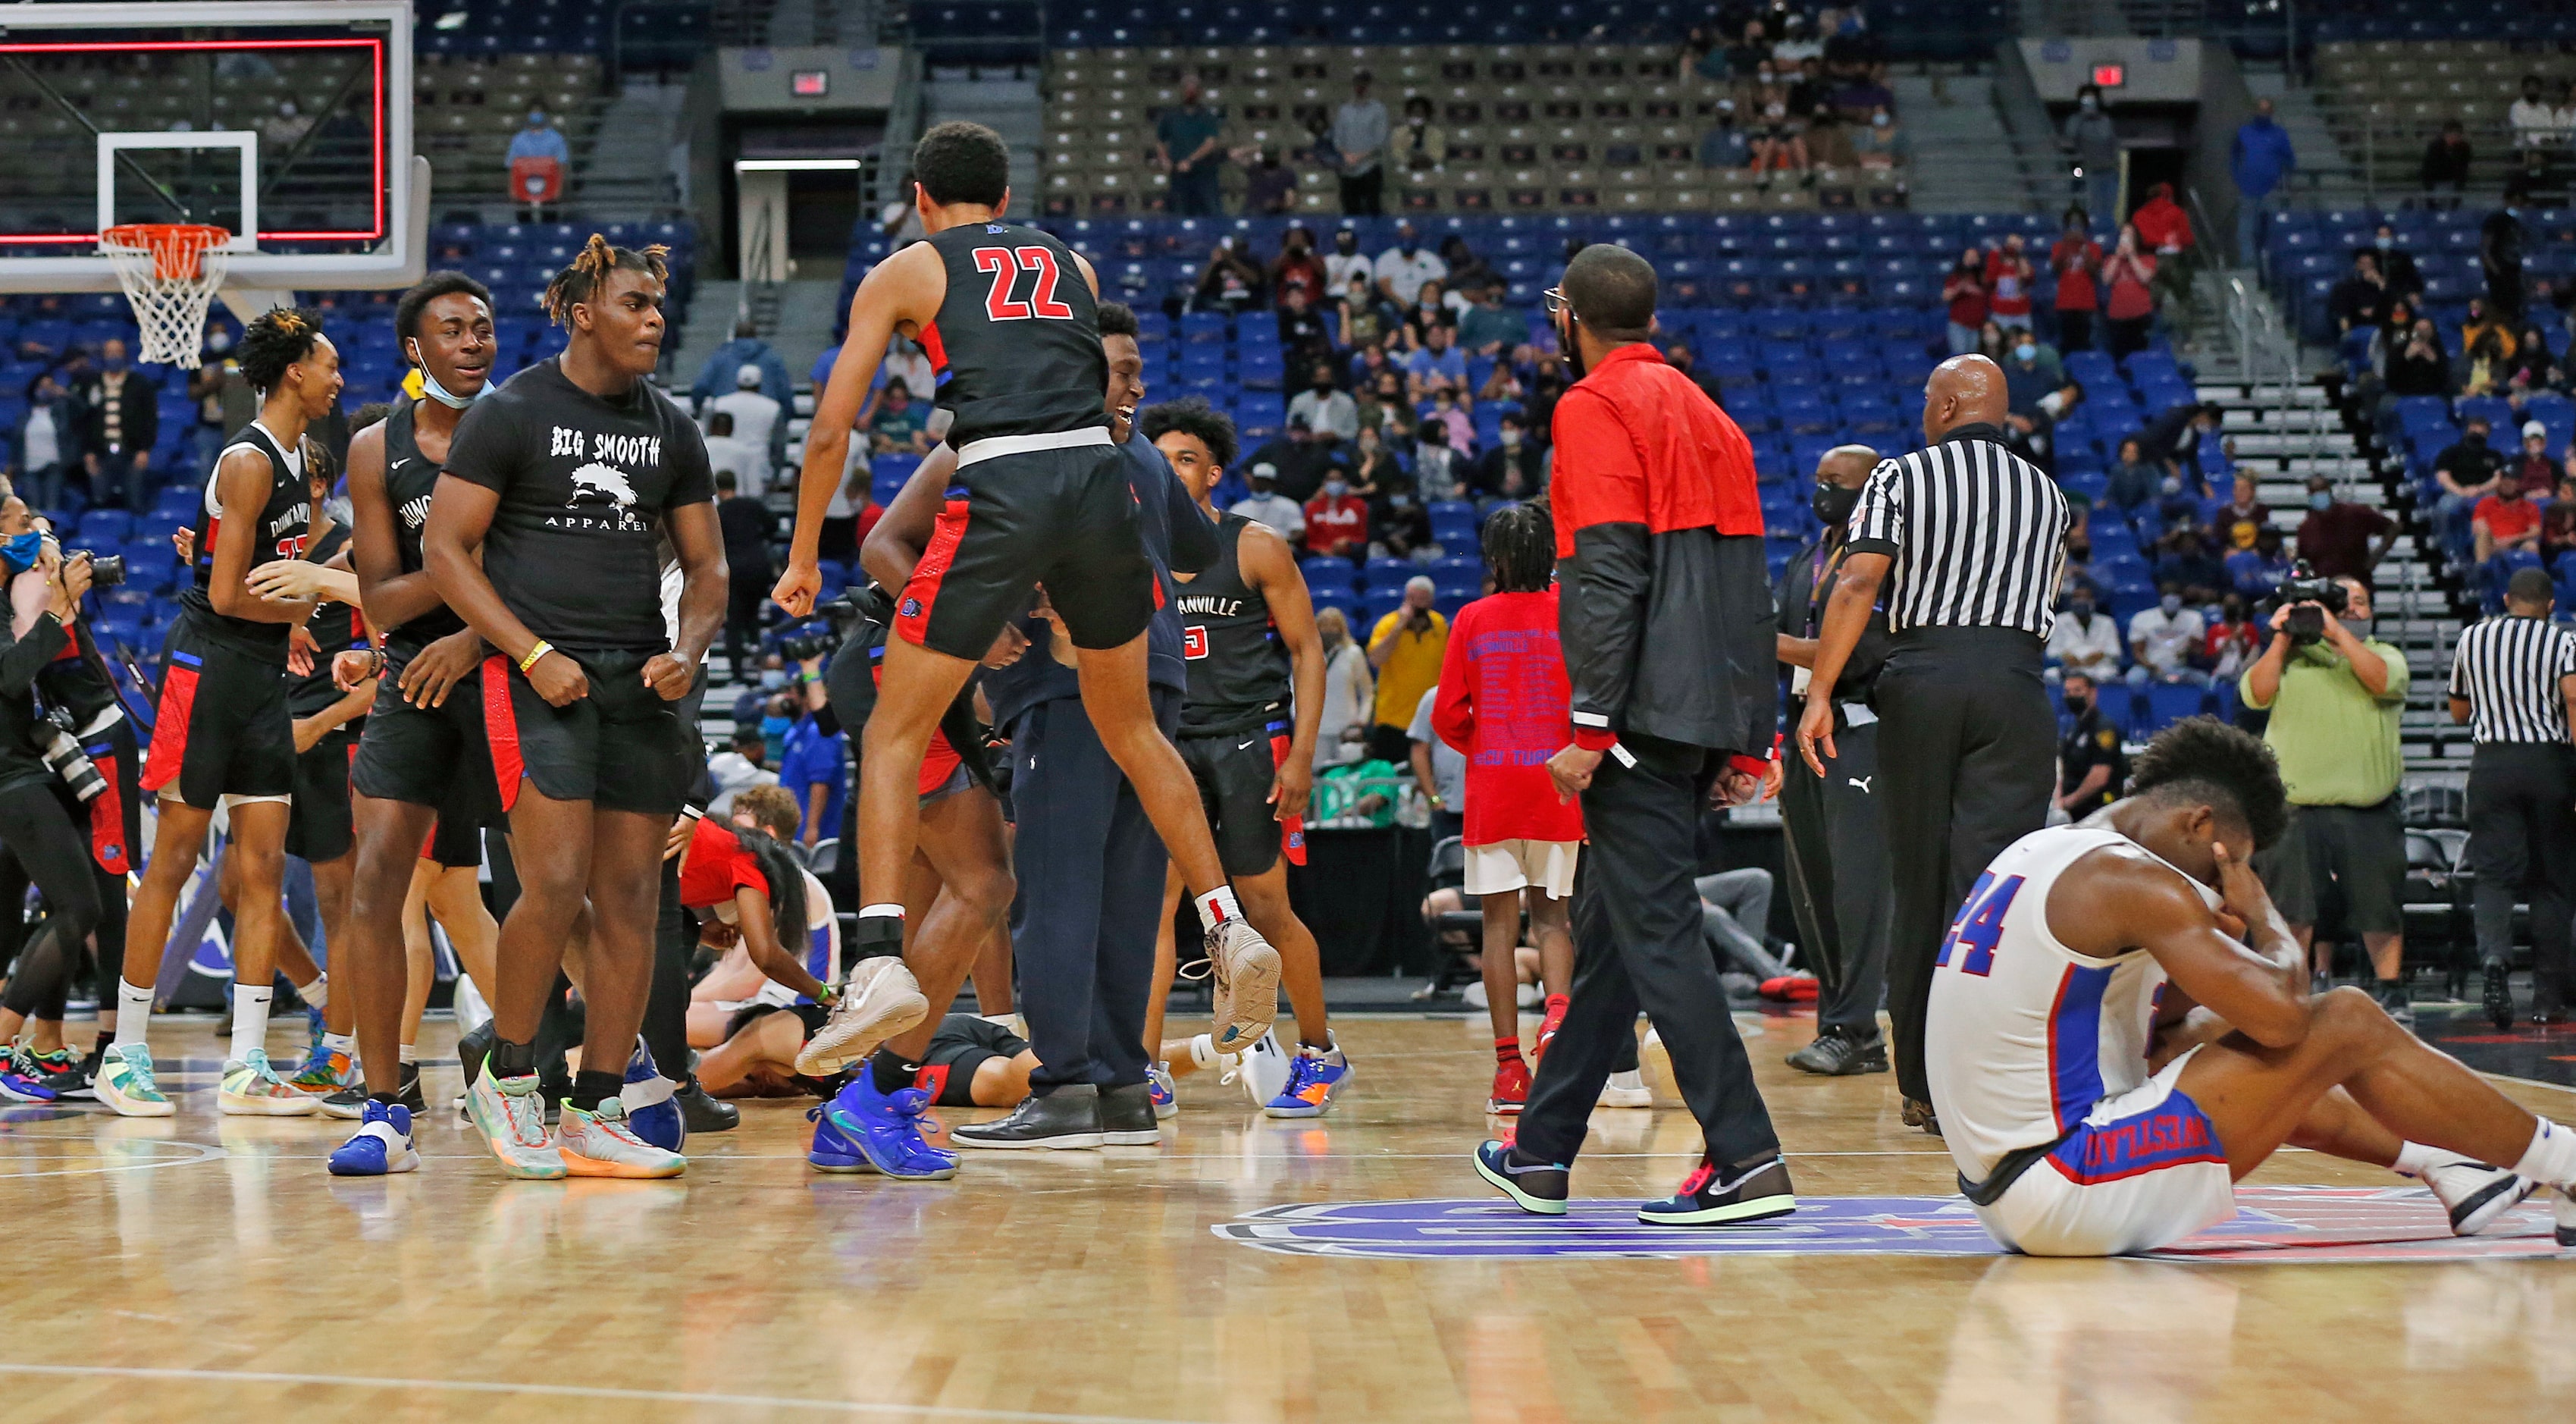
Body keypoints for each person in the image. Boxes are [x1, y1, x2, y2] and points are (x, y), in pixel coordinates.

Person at [774, 124, 1282, 1172]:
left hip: (1003, 482)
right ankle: (1225, 922)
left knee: (894, 735)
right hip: (1100, 489)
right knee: (1135, 724)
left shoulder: (909, 267)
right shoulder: (1071, 261)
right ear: (1005, 194)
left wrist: (798, 555)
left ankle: (873, 961)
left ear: (919, 197)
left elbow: (833, 427)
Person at [1926, 717, 2576, 1258]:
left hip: (2008, 1194)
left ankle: (2446, 1163)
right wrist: (2263, 914)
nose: (2227, 879)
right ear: (2200, 825)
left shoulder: (2051, 849)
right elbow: (2288, 1022)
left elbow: (2186, 1032)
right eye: (2234, 858)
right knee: (2343, 1017)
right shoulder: (2136, 881)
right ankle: (2568, 1162)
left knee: (2207, 1032)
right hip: (2066, 1183)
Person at [1473, 245, 1791, 1226]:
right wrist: (1748, 737)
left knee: (1656, 934)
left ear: (1567, 317)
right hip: (1699, 713)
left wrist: (1590, 725)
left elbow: (1605, 572)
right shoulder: (1715, 419)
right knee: (1613, 932)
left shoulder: (1591, 408)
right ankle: (1541, 1151)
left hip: (1637, 719)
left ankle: (1744, 1154)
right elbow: (1749, 593)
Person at [423, 236, 725, 1179]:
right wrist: (529, 650)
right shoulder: (511, 412)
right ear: (583, 311)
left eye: (658, 306)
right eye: (636, 303)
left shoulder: (672, 428)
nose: (654, 320)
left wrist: (687, 650)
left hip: (639, 680)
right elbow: (444, 551)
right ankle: (512, 1085)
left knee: (636, 899)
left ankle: (597, 1107)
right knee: (552, 885)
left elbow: (709, 567)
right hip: (533, 678)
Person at [1803, 353, 2070, 1137]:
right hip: (2016, 687)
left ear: (1950, 404)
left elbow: (1856, 583)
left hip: (1923, 678)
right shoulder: (2050, 496)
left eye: (1927, 397)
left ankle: (1921, 1086)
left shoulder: (1901, 477)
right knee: (1993, 893)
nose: (1923, 409)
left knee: (1916, 885)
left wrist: (1820, 690)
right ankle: (1994, 1077)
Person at [1123, 396, 1351, 1122]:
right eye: (1158, 458)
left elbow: (1308, 651)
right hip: (1165, 744)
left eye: (1185, 458)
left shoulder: (1254, 545)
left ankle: (1320, 1052)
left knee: (1264, 907)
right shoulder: (1128, 548)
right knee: (1154, 910)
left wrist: (1303, 756)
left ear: (1214, 472)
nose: (1170, 469)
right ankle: (1145, 1066)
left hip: (1246, 744)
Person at [1432, 503, 1581, 1112]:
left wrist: (1489, 743)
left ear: (1493, 559)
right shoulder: (1573, 613)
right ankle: (1556, 1019)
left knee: (1499, 926)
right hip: (1557, 785)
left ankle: (1508, 1071)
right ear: (1551, 554)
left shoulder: (1472, 617)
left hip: (1492, 790)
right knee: (1552, 921)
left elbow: (1446, 715)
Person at [2238, 573, 2412, 1020]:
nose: (2352, 609)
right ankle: (2292, 986)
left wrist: (2335, 632)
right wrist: (2279, 638)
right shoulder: (2290, 660)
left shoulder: (2386, 655)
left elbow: (2380, 681)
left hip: (2367, 808)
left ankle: (2391, 988)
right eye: (2343, 602)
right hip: (2295, 806)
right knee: (2292, 906)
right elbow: (2256, 695)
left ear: (2372, 613)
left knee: (2379, 906)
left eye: (2360, 603)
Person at [1772, 445, 1892, 1077]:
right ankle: (1840, 1027)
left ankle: (1858, 1025)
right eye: (1819, 479)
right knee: (1812, 890)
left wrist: (1768, 643)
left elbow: (1856, 649)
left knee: (1857, 890)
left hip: (1860, 728)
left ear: (1870, 490)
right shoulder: (1806, 557)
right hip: (1802, 731)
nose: (1824, 491)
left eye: (1837, 483)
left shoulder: (1883, 563)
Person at [2449, 566, 2576, 1030]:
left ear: (2507, 599)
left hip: (2492, 765)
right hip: (2548, 762)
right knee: (2552, 883)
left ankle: (2495, 961)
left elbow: (2459, 711)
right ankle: (2547, 997)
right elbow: (2574, 700)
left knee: (2494, 878)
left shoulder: (2472, 639)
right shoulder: (2562, 641)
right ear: (2549, 605)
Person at [1364, 575, 1446, 764]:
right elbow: (1376, 659)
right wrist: (1399, 627)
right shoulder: (1388, 624)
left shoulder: (1439, 626)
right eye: (1412, 600)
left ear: (1430, 602)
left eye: (1422, 601)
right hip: (1392, 720)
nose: (1416, 607)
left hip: (1428, 720)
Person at [74, 339, 157, 514]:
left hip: (132, 451)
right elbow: (84, 420)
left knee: (134, 500)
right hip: (99, 453)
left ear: (125, 355)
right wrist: (87, 452)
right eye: (109, 353)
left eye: (117, 352)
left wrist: (145, 450)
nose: (113, 356)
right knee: (100, 500)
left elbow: (149, 419)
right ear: (104, 356)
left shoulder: (139, 384)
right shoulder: (92, 383)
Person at [713, 469, 772, 677]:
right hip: (758, 566)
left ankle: (737, 674)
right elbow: (773, 525)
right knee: (753, 616)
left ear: (717, 488)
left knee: (735, 622)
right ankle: (759, 662)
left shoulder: (718, 513)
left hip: (734, 569)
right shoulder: (752, 506)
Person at [2294, 475, 2396, 585]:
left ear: (2330, 491)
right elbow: (2303, 562)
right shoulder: (2306, 528)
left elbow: (2393, 528)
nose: (2319, 495)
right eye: (2314, 491)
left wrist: (2376, 557)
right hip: (2325, 592)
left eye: (2322, 490)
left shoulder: (2355, 514)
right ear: (2309, 495)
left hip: (2358, 585)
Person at [2230, 98, 2295, 268]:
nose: (2263, 114)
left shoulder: (2279, 134)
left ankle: (2269, 262)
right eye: (2260, 110)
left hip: (2271, 189)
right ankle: (2249, 262)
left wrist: (2281, 177)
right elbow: (2234, 155)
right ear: (2254, 112)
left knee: (2270, 227)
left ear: (2271, 113)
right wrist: (2237, 176)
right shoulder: (2244, 132)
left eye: (2266, 111)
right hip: (2248, 188)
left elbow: (2289, 159)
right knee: (2245, 228)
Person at [1153, 77, 1227, 217]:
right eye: (1187, 89)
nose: (1190, 93)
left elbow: (1210, 144)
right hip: (1179, 176)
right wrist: (1164, 159)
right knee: (1179, 213)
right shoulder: (1171, 117)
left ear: (1199, 92)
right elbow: (1160, 141)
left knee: (1212, 212)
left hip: (1205, 174)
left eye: (1193, 89)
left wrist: (1190, 160)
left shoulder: (1208, 117)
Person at [708, 364, 782, 494]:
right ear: (759, 383)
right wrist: (776, 475)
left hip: (723, 463)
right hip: (759, 465)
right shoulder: (773, 407)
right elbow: (778, 445)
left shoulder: (721, 403)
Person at [690, 315, 792, 409]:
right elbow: (785, 392)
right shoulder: (772, 359)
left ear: (735, 336)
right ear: (755, 336)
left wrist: (698, 408)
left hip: (726, 416)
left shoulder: (719, 358)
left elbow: (700, 387)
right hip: (765, 415)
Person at [1313, 606, 1371, 770]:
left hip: (1347, 728)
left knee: (1345, 774)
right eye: (1324, 626)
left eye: (1334, 626)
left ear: (1342, 628)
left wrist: (1362, 718)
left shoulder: (1354, 653)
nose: (1329, 630)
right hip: (1317, 728)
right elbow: (1295, 687)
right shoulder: (1310, 652)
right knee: (1317, 776)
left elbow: (1367, 691)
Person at [1332, 71, 1389, 215]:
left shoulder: (1379, 110)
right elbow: (1338, 138)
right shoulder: (1344, 110)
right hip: (1347, 169)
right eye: (1358, 84)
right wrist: (1347, 156)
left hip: (1370, 167)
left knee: (1373, 209)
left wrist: (1359, 157)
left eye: (1365, 84)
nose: (1361, 88)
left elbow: (1380, 141)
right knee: (1350, 210)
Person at [2063, 86, 2120, 226]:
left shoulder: (2105, 120)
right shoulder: (2074, 120)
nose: (2089, 102)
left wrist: (2116, 165)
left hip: (2109, 171)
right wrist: (2083, 119)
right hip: (2086, 171)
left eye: (2092, 99)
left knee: (2108, 208)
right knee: (2090, 208)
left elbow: (2112, 142)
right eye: (2086, 99)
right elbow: (2069, 141)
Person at [2101, 227, 2158, 360]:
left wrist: (2132, 256)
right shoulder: (2111, 259)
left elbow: (2145, 278)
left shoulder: (2148, 259)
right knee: (2119, 356)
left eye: (2129, 236)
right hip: (2117, 316)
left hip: (2141, 316)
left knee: (2140, 356)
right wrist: (2117, 257)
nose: (2126, 239)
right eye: (2123, 236)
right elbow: (2106, 279)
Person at [2050, 209, 2103, 355]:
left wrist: (2084, 248)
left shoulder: (2094, 247)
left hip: (2086, 302)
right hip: (2065, 302)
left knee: (2084, 342)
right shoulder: (2058, 247)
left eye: (2078, 224)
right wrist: (2066, 245)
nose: (2075, 228)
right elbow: (2056, 268)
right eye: (2072, 225)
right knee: (2066, 343)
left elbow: (2094, 271)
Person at [2046, 588, 2123, 684]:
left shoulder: (2106, 622)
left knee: (2108, 675)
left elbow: (2116, 651)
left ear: (2093, 601)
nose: (2081, 601)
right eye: (2077, 598)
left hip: (2098, 669)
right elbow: (2051, 652)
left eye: (2085, 597)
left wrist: (2101, 655)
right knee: (2050, 675)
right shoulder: (2060, 621)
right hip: (2070, 668)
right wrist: (2065, 656)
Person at [506, 108, 569, 219]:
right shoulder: (519, 139)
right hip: (523, 181)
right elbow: (513, 165)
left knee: (550, 216)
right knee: (524, 216)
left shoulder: (556, 138)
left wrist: (558, 189)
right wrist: (513, 189)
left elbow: (562, 165)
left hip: (550, 181)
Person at [2474, 472, 2543, 570]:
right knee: (2483, 536)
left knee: (2532, 546)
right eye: (2504, 483)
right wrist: (2496, 541)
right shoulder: (2485, 503)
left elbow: (2536, 531)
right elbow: (2478, 525)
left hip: (2516, 543)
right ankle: (2481, 573)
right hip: (2492, 543)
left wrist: (2512, 539)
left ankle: (2531, 582)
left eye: (2511, 483)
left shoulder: (2530, 507)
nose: (2507, 486)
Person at [1228, 461, 1305, 542]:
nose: (1261, 483)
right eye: (1258, 480)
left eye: (1265, 480)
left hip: (1280, 548)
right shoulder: (1239, 508)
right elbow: (1229, 533)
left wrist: (1280, 543)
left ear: (1273, 483)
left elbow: (1298, 531)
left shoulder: (1288, 505)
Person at [1302, 469, 1368, 557]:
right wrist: (1321, 550)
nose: (1335, 483)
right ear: (1324, 482)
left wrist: (1349, 541)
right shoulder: (1312, 507)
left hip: (1350, 553)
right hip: (1318, 553)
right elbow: (1309, 537)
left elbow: (1363, 534)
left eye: (1338, 479)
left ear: (1345, 482)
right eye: (1331, 479)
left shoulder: (1358, 505)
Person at [1287, 365, 1358, 441]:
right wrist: (1306, 436)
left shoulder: (1346, 402)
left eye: (1326, 377)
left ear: (1332, 380)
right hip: (1308, 443)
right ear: (1313, 379)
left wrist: (1335, 435)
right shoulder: (1299, 401)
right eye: (1319, 377)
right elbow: (1290, 428)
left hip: (1337, 442)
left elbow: (1353, 431)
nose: (1323, 381)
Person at [2329, 250, 2391, 337]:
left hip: (2378, 324)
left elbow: (2390, 304)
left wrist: (2381, 285)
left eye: (2370, 264)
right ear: (2357, 266)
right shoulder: (2346, 286)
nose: (2367, 268)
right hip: (2355, 323)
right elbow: (2342, 312)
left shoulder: (2380, 285)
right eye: (2364, 264)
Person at [1942, 249, 1988, 356]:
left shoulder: (1983, 278)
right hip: (1959, 325)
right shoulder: (1956, 276)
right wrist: (1960, 288)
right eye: (1969, 257)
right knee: (1960, 357)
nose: (1972, 260)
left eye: (1974, 257)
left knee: (1973, 359)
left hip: (1977, 326)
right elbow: (1946, 296)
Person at [2423, 120, 2474, 209]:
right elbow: (2429, 168)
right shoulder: (2435, 147)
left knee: (2453, 205)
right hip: (2437, 180)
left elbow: (2464, 166)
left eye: (2458, 135)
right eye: (2453, 135)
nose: (2455, 138)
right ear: (2446, 134)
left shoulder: (2464, 147)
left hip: (2455, 181)